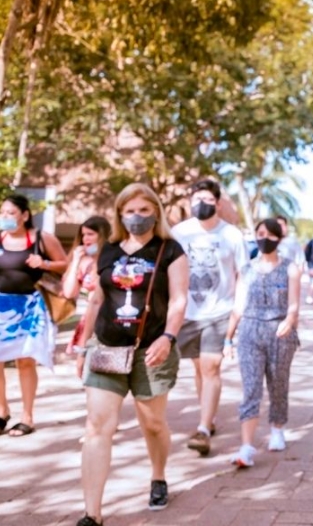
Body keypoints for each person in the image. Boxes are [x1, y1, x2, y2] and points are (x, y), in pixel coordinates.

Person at [73, 183, 188, 526]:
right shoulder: (107, 251)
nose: (137, 217)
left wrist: (168, 337)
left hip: (150, 349)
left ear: (156, 211)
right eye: (130, 211)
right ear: (119, 214)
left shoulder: (170, 250)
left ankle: (158, 474)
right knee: (97, 426)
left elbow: (180, 299)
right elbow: (95, 299)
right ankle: (92, 514)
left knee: (152, 423)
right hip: (107, 347)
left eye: (143, 210)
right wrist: (82, 344)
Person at [172, 179, 249, 456]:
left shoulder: (232, 235)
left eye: (206, 199)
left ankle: (203, 428)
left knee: (211, 367)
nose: (200, 204)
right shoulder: (180, 233)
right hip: (188, 312)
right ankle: (209, 416)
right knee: (198, 368)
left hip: (220, 311)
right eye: (196, 199)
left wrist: (237, 313)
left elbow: (244, 276)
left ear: (217, 203)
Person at [225, 218, 301, 467]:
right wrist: (228, 338)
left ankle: (277, 428)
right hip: (250, 331)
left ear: (279, 239)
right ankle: (246, 446)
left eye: (269, 234)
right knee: (251, 388)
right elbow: (238, 306)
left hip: (280, 333)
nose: (264, 238)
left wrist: (290, 320)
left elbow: (293, 305)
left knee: (278, 384)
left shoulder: (290, 268)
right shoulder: (247, 269)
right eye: (260, 233)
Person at [0, 194, 67, 437]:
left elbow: (65, 263)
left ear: (25, 215)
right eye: (3, 212)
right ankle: (2, 412)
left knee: (25, 361)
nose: (6, 217)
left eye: (11, 213)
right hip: (0, 307)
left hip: (29, 308)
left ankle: (27, 416)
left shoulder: (41, 238)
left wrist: (44, 264)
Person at [63, 216, 112, 355]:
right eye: (83, 235)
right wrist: (75, 261)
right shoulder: (84, 263)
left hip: (109, 319)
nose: (85, 239)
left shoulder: (112, 260)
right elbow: (69, 292)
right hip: (88, 319)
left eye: (90, 234)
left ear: (102, 235)